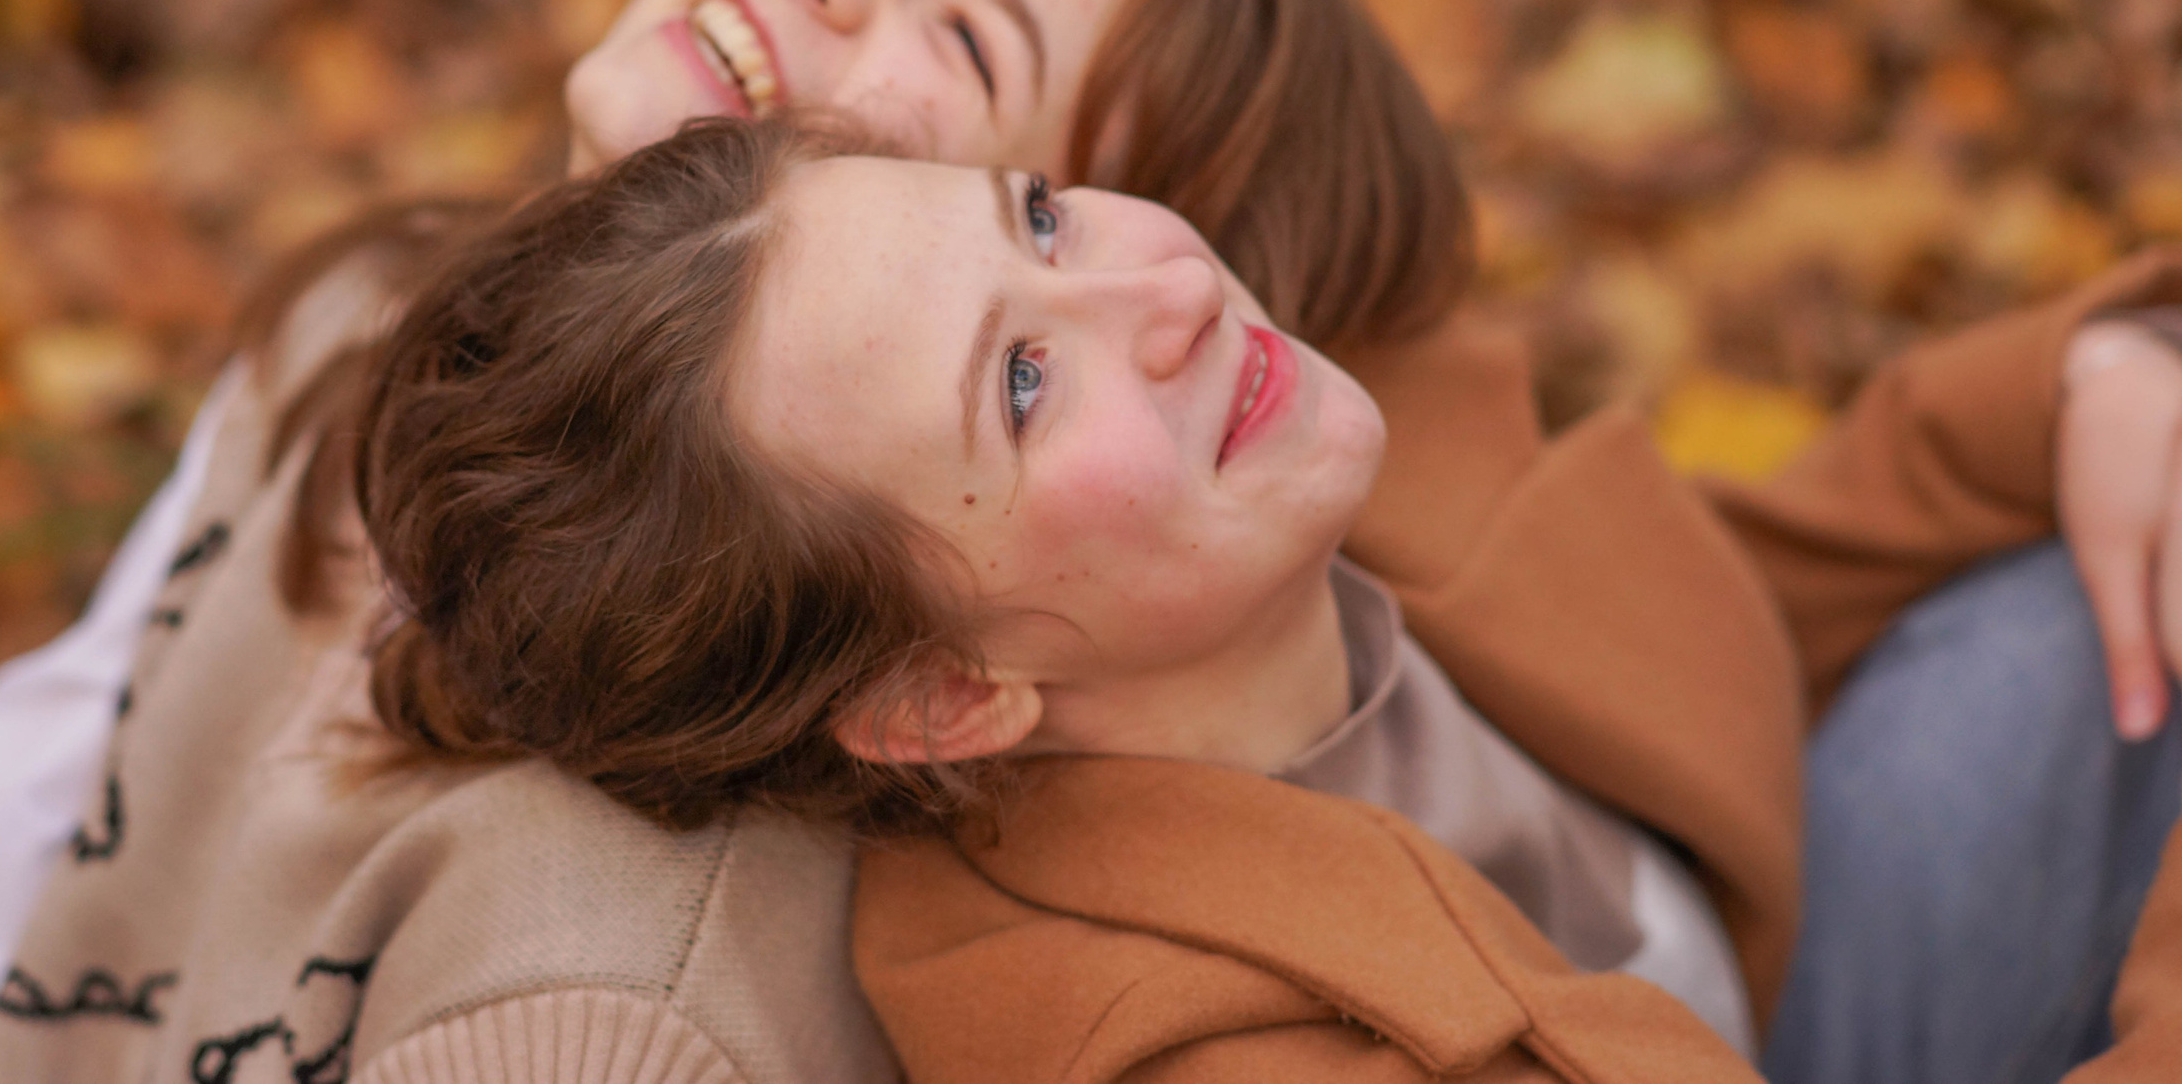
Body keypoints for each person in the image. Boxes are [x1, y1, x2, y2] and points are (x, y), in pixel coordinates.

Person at [0, 0, 2178, 1082]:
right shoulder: (741, 874)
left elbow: (1706, 604)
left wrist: (2094, 363)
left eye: (973, 58)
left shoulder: (1240, 479)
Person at [344, 118, 2182, 1081]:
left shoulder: (1323, 518)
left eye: (1043, 216)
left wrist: (2096, 382)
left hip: (1796, 1011)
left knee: (2089, 597)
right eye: (1025, 384)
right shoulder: (1177, 1042)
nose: (1157, 289)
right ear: (935, 701)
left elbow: (1748, 608)